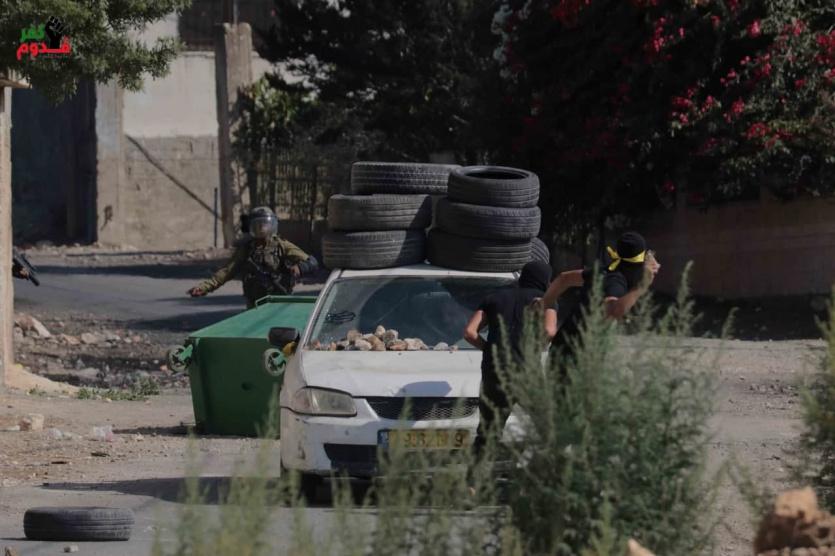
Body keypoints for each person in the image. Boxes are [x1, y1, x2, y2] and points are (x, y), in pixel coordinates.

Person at [463, 261, 558, 454]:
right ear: (545, 280)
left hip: (495, 372)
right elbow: (549, 331)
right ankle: (554, 468)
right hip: (527, 372)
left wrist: (489, 349)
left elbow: (470, 332)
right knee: (548, 426)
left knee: (488, 433)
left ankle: (476, 473)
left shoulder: (493, 298)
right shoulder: (545, 300)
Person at [542, 231, 660, 358]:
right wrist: (641, 287)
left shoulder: (605, 272)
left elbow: (564, 279)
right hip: (577, 354)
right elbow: (613, 310)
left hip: (564, 346)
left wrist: (544, 305)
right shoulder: (616, 281)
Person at [188, 206, 318, 308]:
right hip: (254, 303)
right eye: (258, 225)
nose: (261, 228)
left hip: (279, 300)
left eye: (265, 224)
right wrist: (205, 287)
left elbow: (311, 262)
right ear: (251, 227)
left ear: (272, 225)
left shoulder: (281, 245)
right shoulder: (246, 249)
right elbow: (227, 271)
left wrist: (299, 268)